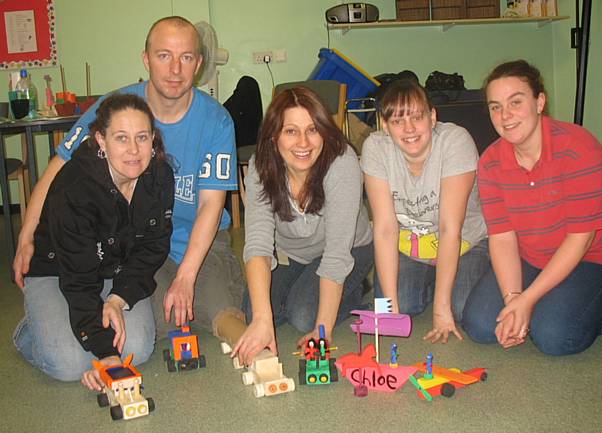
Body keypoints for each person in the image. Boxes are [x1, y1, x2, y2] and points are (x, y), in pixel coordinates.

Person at [12, 16, 245, 340]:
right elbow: (57, 169)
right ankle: (40, 328)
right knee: (157, 324)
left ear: (199, 63)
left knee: (221, 307)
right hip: (142, 243)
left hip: (203, 239)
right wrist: (27, 234)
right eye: (164, 56)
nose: (175, 69)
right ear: (146, 59)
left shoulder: (217, 120)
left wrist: (186, 276)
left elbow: (210, 206)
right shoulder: (116, 108)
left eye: (186, 57)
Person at [462, 60, 602, 355]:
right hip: (533, 255)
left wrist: (527, 301)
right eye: (495, 107)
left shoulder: (580, 149)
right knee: (479, 324)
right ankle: (545, 299)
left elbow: (580, 240)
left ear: (540, 102)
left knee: (554, 336)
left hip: (593, 257)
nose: (506, 116)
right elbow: (502, 239)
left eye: (516, 102)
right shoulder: (490, 162)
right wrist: (514, 296)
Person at [13, 94, 174, 389]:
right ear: (101, 140)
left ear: (153, 138)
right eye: (121, 138)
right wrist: (106, 356)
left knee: (138, 347)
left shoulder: (160, 176)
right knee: (69, 363)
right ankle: (30, 329)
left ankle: (76, 328)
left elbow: (153, 247)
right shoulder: (74, 188)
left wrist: (117, 298)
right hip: (60, 270)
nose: (134, 151)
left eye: (142, 137)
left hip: (115, 270)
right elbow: (78, 281)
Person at [231, 86, 374, 365]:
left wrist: (324, 331)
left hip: (350, 249)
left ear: (324, 130)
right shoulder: (262, 165)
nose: (303, 143)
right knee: (254, 313)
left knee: (303, 315)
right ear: (274, 136)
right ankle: (304, 290)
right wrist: (262, 319)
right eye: (291, 131)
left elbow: (336, 255)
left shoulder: (342, 162)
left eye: (312, 129)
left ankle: (353, 290)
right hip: (295, 253)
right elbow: (258, 244)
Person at [360, 79, 490, 343]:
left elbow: (449, 228)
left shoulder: (455, 141)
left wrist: (442, 309)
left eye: (417, 117)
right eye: (397, 121)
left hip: (465, 242)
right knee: (402, 306)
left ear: (432, 117)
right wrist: (390, 307)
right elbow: (385, 229)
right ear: (385, 126)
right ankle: (432, 282)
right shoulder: (375, 148)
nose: (409, 129)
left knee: (461, 309)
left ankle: (446, 288)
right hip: (413, 246)